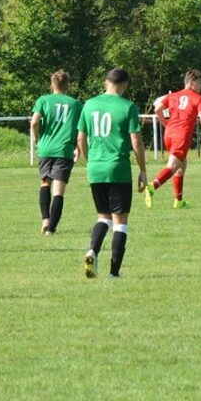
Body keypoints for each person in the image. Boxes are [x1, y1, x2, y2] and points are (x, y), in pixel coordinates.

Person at [77, 68, 146, 279]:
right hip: (118, 168)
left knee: (103, 217)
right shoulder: (128, 107)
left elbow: (80, 139)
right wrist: (143, 170)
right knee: (120, 221)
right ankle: (114, 273)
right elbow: (135, 141)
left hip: (95, 168)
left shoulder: (89, 105)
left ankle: (92, 251)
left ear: (105, 82)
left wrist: (91, 162)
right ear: (125, 85)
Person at [145, 69, 201, 209]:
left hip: (169, 134)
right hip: (182, 135)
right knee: (172, 166)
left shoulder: (174, 95)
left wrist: (165, 124)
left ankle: (179, 200)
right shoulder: (198, 98)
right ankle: (152, 186)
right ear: (192, 82)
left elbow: (157, 109)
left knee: (182, 164)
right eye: (200, 82)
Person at [30, 70, 81, 234]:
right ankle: (51, 229)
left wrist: (36, 138)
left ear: (52, 85)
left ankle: (45, 219)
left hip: (46, 148)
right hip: (64, 150)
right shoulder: (76, 104)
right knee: (58, 191)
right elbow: (81, 130)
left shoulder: (43, 100)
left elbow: (34, 122)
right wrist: (78, 148)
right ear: (68, 86)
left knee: (45, 183)